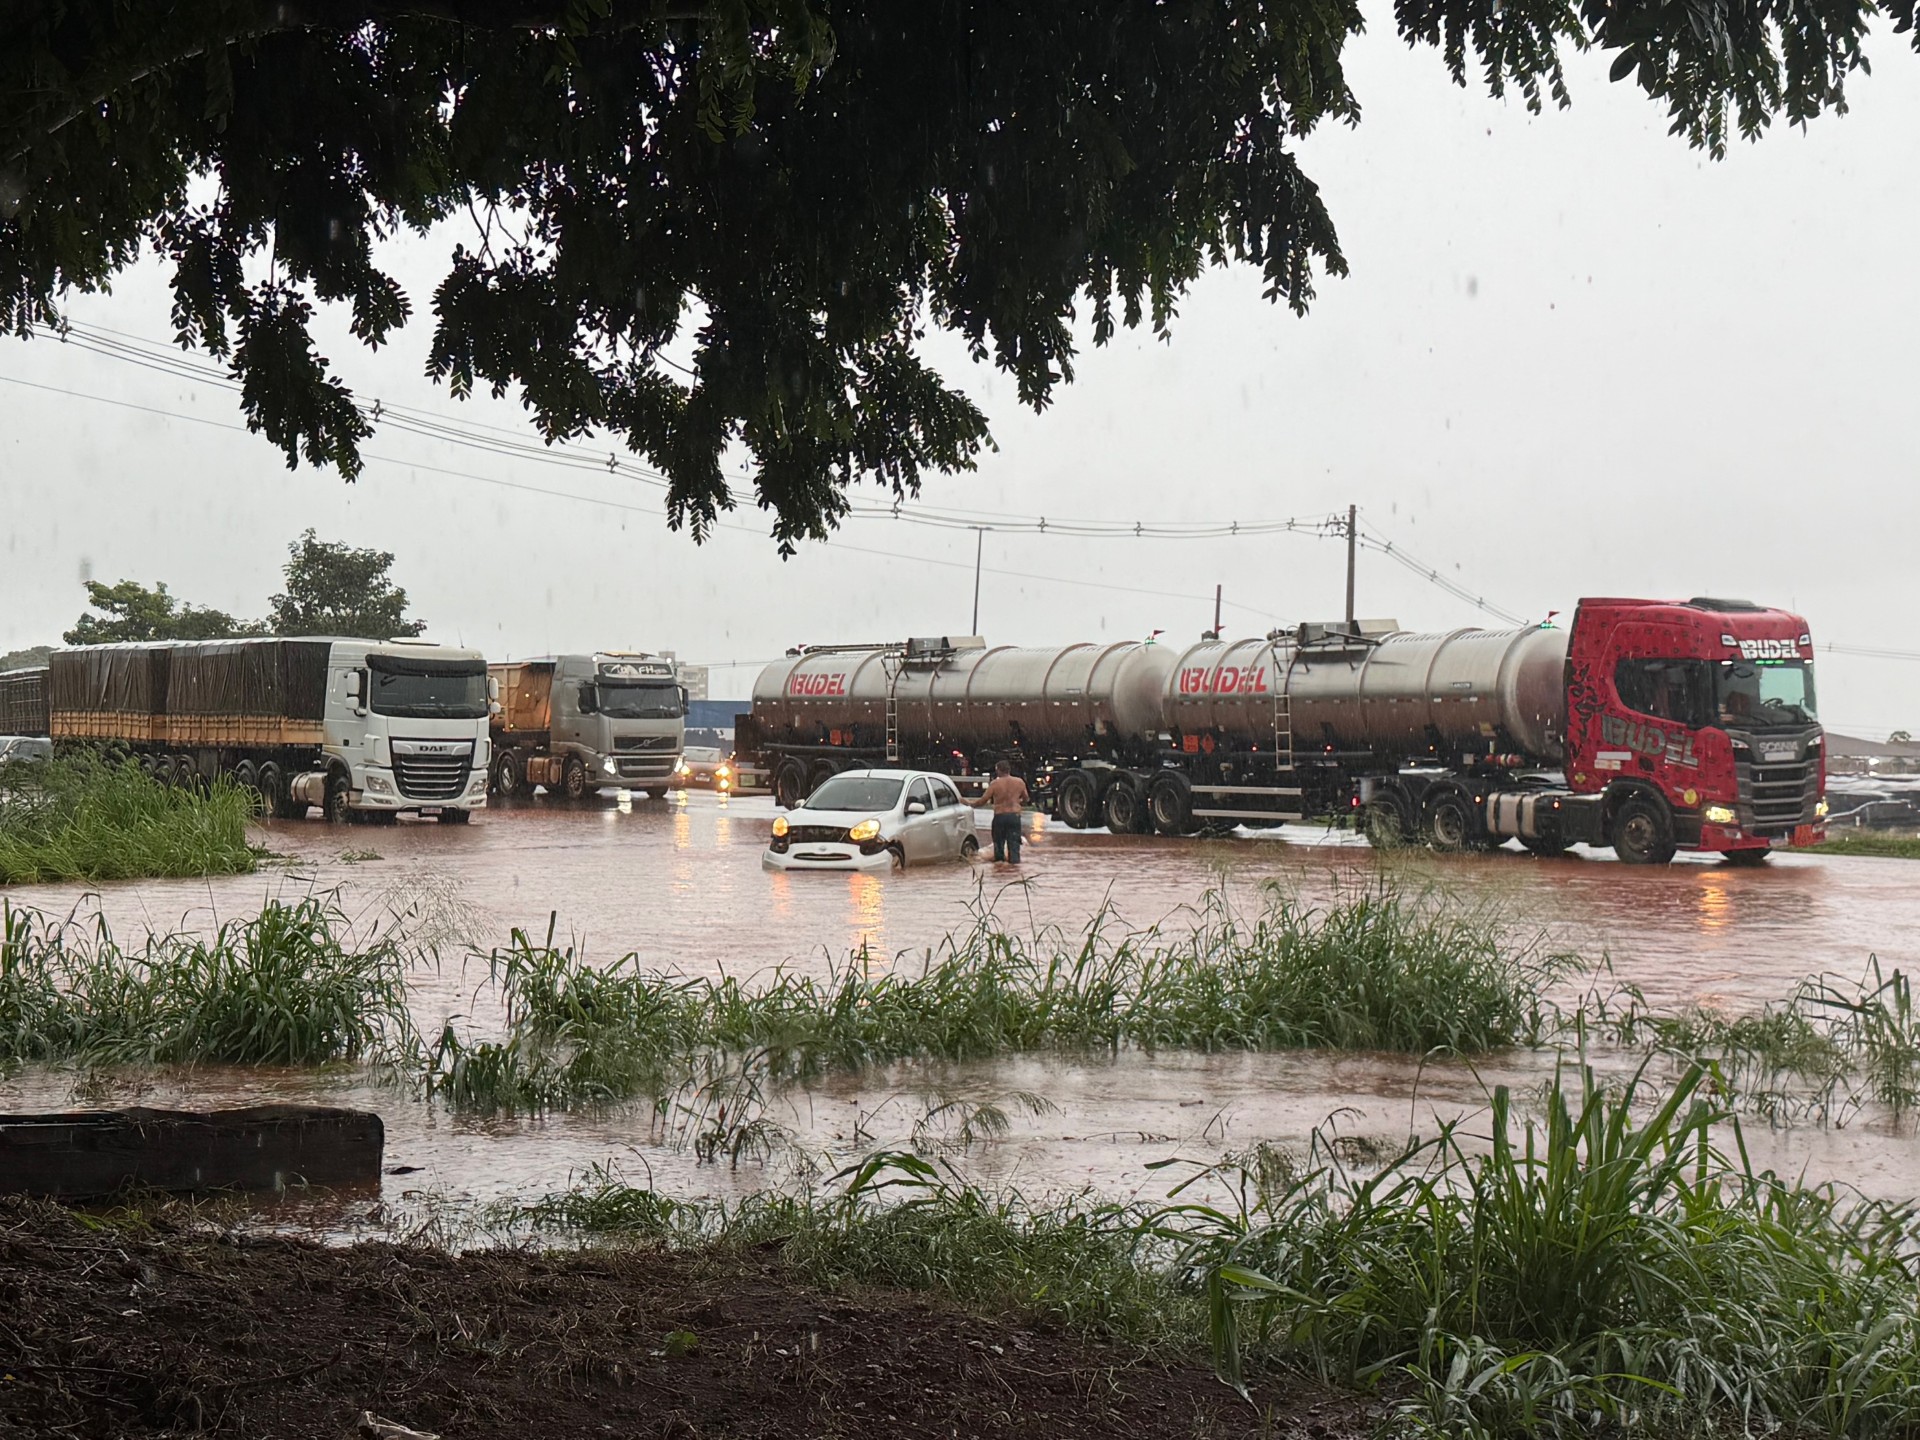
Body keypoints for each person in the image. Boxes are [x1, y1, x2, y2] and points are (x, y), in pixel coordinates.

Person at [981, 760, 1030, 864]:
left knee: (998, 845)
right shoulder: (1019, 782)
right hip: (1014, 816)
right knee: (1014, 847)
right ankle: (1014, 870)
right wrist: (1017, 802)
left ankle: (1000, 869)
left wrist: (969, 803)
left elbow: (983, 800)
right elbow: (1026, 799)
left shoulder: (995, 784)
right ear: (1009, 770)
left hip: (999, 816)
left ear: (998, 770)